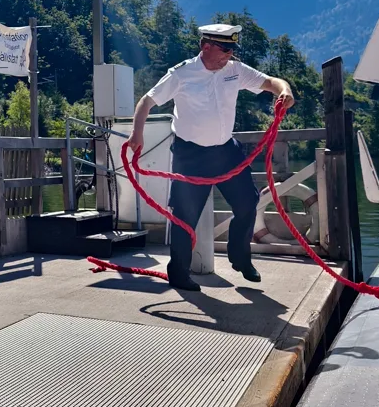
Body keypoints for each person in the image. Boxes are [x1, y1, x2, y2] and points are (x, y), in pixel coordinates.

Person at [126, 23, 295, 292]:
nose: (229, 55)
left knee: (248, 203)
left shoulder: (235, 70)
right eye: (225, 49)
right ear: (206, 46)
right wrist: (137, 135)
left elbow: (271, 82)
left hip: (226, 151)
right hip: (191, 155)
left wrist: (284, 91)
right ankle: (179, 273)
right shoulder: (181, 74)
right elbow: (146, 101)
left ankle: (240, 258)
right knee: (185, 217)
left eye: (232, 49)